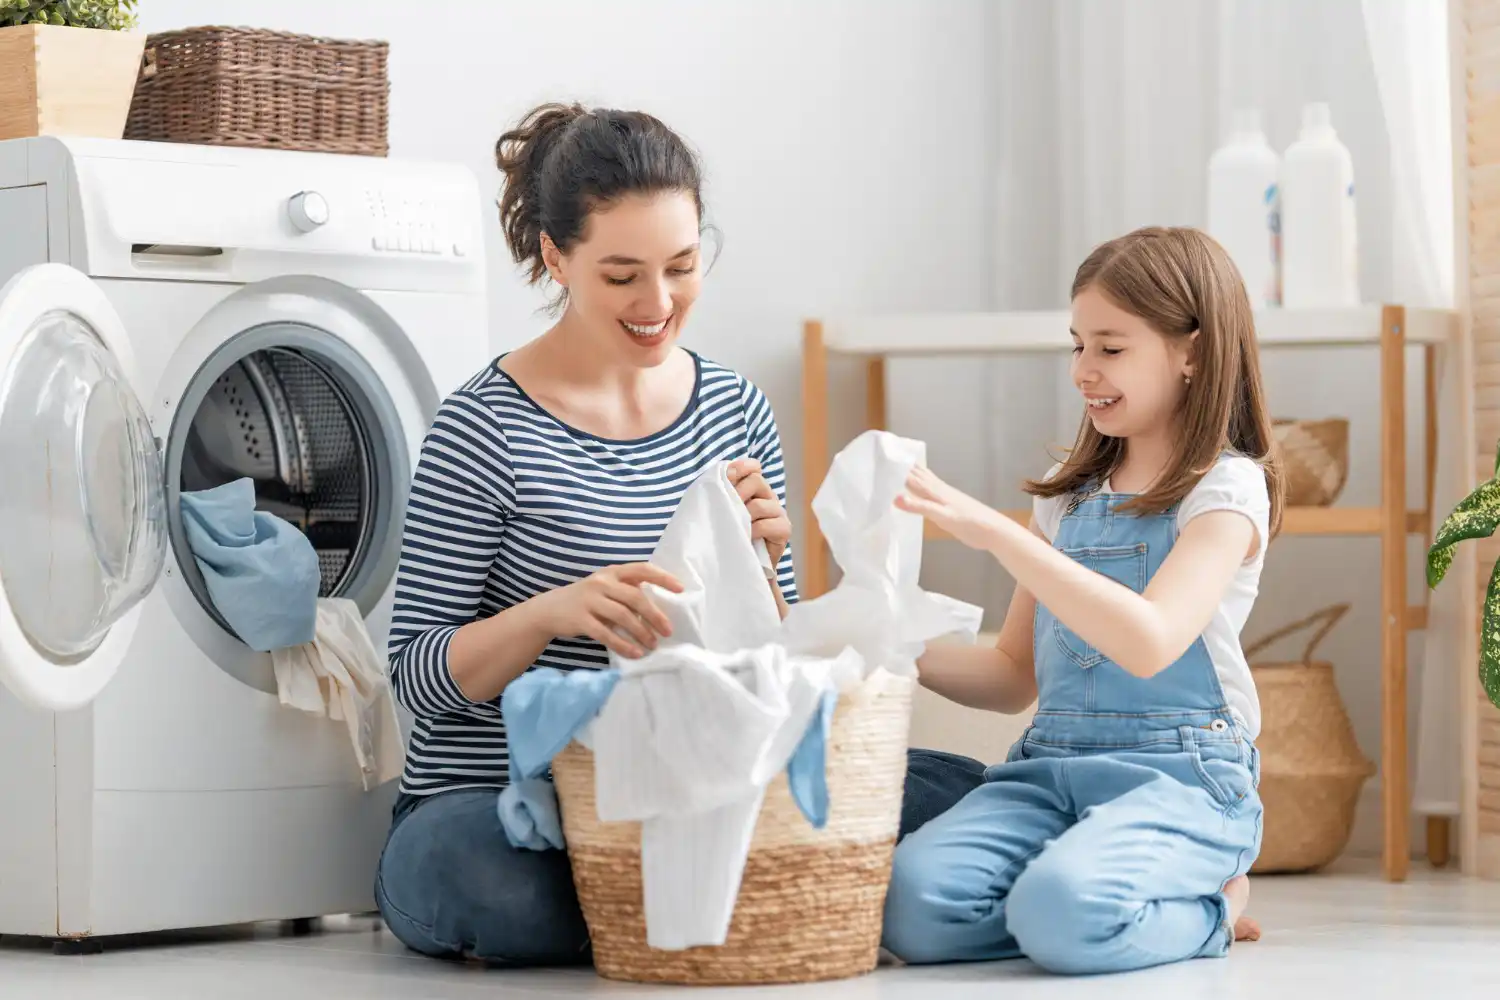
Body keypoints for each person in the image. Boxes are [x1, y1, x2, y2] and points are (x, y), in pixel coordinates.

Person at [370, 102, 802, 966]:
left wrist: (770, 565)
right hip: (493, 795)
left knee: (936, 793)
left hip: (673, 784)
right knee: (510, 896)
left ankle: (653, 888)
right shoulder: (483, 428)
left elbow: (774, 674)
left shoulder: (734, 409)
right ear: (556, 259)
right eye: (622, 276)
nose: (659, 302)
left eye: (682, 267)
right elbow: (415, 678)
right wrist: (549, 616)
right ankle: (662, 896)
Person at [881, 226, 1280, 975]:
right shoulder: (1070, 494)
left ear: (1191, 351)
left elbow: (1152, 638)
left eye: (1111, 347)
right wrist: (886, 644)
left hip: (1183, 779)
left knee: (1064, 911)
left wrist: (1000, 537)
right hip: (1051, 766)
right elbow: (1010, 678)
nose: (1083, 371)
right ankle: (1079, 906)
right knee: (911, 908)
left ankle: (1213, 908)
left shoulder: (1226, 492)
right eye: (1077, 345)